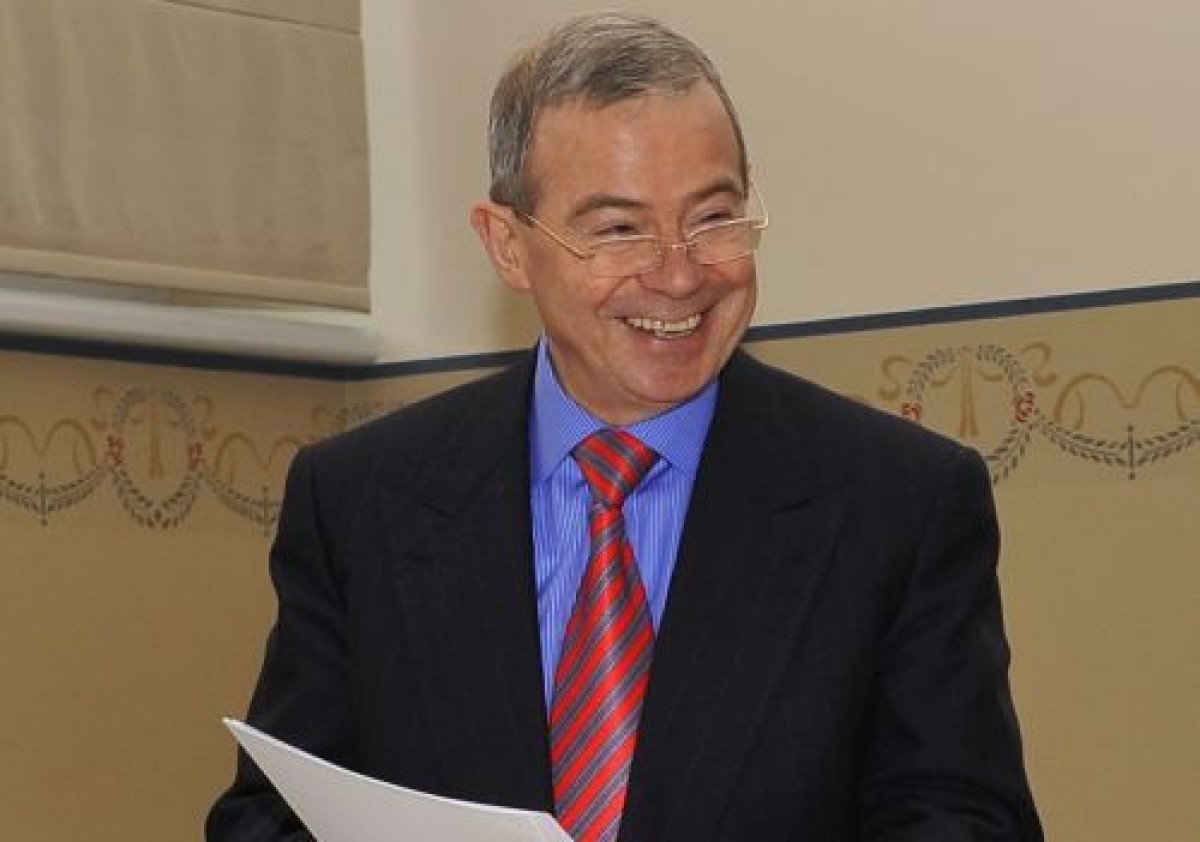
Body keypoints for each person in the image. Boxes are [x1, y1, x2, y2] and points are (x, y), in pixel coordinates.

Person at [207, 12, 1042, 841]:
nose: (678, 275)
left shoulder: (901, 503)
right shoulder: (361, 502)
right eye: (619, 229)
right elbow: (270, 817)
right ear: (507, 244)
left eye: (713, 217)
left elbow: (967, 822)